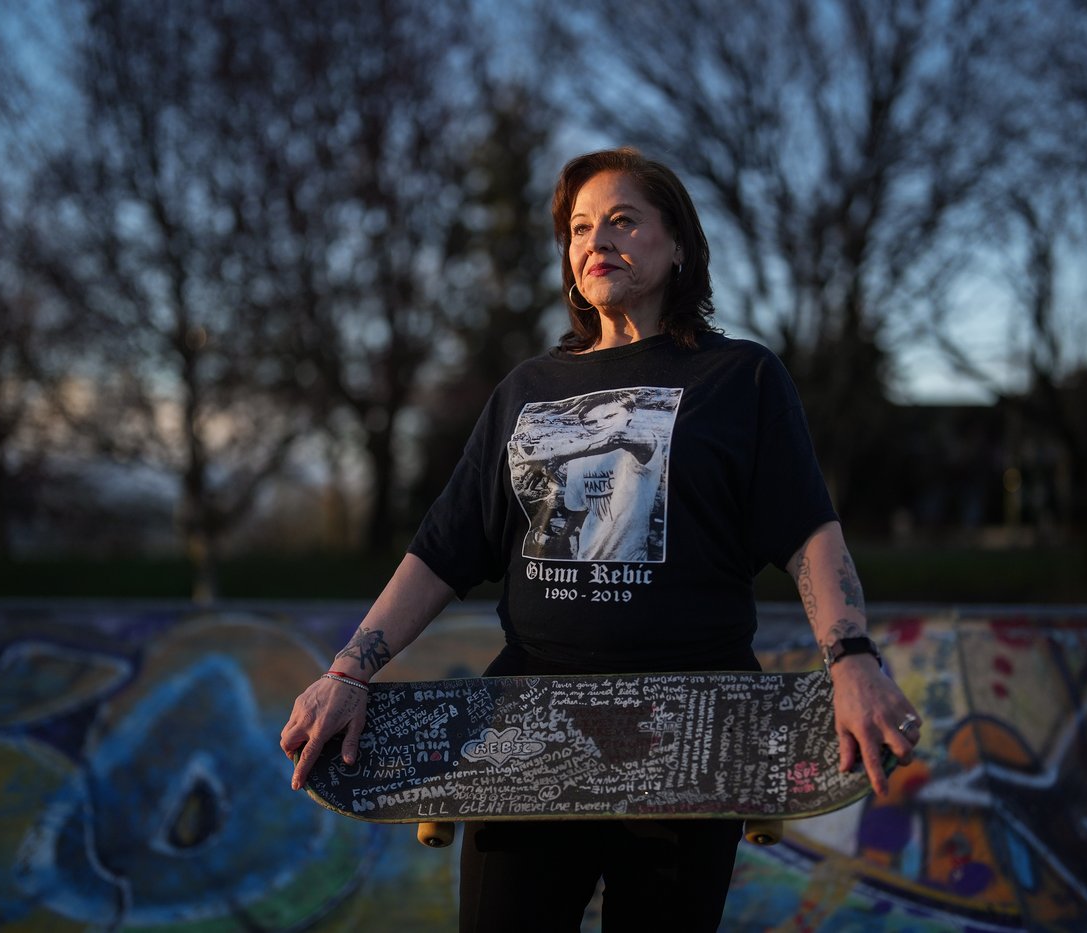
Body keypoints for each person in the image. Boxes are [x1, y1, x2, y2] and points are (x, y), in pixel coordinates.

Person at [280, 147, 921, 931]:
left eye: (624, 220)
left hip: (691, 729)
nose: (595, 241)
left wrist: (851, 658)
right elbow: (444, 550)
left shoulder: (741, 378)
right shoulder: (526, 389)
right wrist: (348, 670)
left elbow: (807, 532)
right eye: (580, 227)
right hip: (525, 730)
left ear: (678, 244)